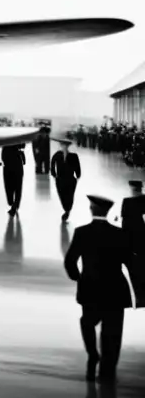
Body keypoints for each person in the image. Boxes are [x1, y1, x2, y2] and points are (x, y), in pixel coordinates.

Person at [63, 195, 133, 382]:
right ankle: (108, 372)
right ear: (108, 212)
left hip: (90, 287)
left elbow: (70, 261)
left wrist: (78, 278)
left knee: (88, 321)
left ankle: (93, 352)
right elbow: (130, 262)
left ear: (91, 210)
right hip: (115, 290)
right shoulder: (120, 234)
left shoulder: (82, 232)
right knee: (113, 332)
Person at [120, 179, 145, 308]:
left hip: (133, 242)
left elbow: (125, 225)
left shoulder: (127, 202)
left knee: (135, 271)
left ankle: (140, 297)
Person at [51, 138, 82, 220]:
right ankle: (67, 210)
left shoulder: (57, 154)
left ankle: (66, 210)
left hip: (60, 180)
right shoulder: (74, 156)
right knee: (69, 196)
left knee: (63, 196)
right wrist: (78, 176)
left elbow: (52, 164)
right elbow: (77, 168)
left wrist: (54, 174)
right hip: (70, 180)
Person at [1, 143, 26, 215]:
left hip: (12, 165)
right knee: (15, 187)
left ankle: (14, 205)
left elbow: (23, 145)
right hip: (12, 165)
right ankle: (13, 204)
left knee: (15, 187)